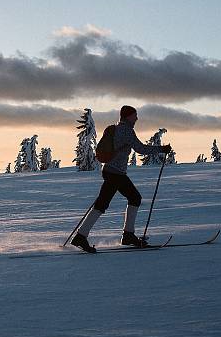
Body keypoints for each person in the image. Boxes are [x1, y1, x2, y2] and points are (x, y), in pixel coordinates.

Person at [71, 105, 172, 253]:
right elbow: (140, 149)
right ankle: (123, 235)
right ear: (127, 116)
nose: (136, 118)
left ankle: (121, 235)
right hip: (115, 173)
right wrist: (161, 149)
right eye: (134, 116)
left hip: (112, 172)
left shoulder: (117, 128)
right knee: (129, 199)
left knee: (109, 202)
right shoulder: (126, 130)